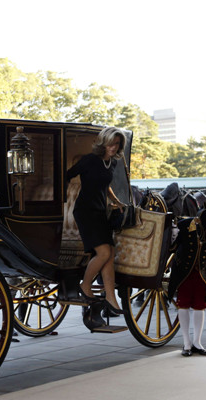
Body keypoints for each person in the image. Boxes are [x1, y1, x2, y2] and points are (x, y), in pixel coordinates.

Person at [66, 127, 126, 314]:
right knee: (103, 252)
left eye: (117, 144)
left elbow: (105, 185)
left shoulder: (112, 163)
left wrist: (116, 201)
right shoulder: (89, 160)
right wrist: (64, 196)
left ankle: (111, 299)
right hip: (85, 211)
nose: (113, 147)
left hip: (100, 212)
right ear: (103, 142)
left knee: (109, 255)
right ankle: (85, 286)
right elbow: (68, 175)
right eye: (110, 143)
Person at [167, 208, 206, 357]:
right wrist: (172, 236)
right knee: (183, 304)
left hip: (202, 271)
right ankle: (186, 343)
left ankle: (197, 342)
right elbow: (172, 248)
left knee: (200, 306)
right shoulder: (184, 225)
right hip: (184, 271)